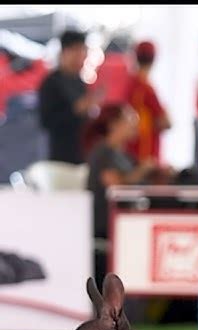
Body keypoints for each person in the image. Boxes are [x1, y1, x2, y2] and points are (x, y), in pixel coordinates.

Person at [84, 103, 159, 285]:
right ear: (113, 124)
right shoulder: (103, 153)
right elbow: (117, 187)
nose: (136, 123)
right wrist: (143, 170)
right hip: (107, 226)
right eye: (130, 118)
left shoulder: (123, 155)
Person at [39, 30, 102, 164]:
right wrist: (76, 109)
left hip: (82, 154)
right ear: (64, 52)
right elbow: (46, 122)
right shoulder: (51, 83)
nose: (80, 57)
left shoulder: (80, 82)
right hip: (60, 156)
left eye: (82, 52)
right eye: (75, 52)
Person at [126, 40, 171, 164]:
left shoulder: (131, 85)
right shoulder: (146, 89)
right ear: (154, 59)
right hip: (146, 153)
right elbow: (166, 122)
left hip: (131, 150)